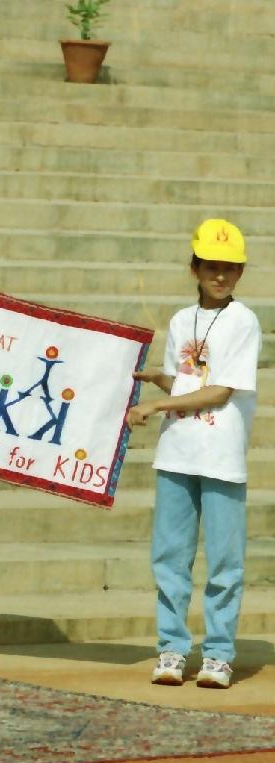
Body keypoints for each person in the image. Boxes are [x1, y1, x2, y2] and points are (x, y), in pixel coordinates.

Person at [127, 219, 262, 689]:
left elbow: (221, 391)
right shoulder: (182, 320)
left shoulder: (243, 321)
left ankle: (218, 653)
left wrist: (155, 405)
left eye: (229, 268)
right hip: (177, 451)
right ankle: (172, 648)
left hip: (221, 454)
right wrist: (155, 381)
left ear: (240, 272)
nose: (219, 276)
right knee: (169, 556)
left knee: (225, 560)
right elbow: (187, 382)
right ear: (195, 268)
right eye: (210, 266)